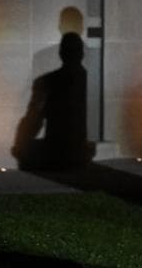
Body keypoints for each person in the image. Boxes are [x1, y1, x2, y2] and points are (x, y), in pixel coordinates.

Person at [11, 32, 96, 171]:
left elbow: (33, 119)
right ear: (82, 53)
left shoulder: (47, 82)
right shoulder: (93, 83)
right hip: (82, 151)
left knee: (27, 151)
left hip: (57, 151)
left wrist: (20, 145)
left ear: (61, 53)